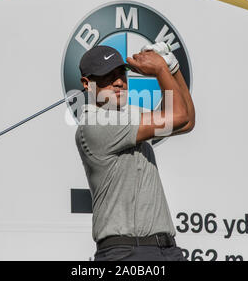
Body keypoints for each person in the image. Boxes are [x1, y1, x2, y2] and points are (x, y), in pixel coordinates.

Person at [74, 44, 195, 261]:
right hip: (127, 252)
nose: (119, 82)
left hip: (166, 249)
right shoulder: (95, 122)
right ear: (86, 84)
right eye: (107, 77)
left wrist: (172, 66)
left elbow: (186, 122)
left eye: (122, 74)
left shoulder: (129, 115)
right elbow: (179, 116)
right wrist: (161, 70)